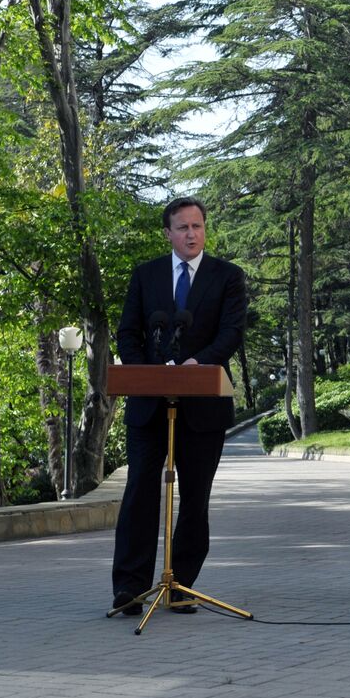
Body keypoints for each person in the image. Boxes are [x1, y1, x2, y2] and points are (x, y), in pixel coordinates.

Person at [110, 196, 247, 617]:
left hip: (203, 406)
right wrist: (146, 373)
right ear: (168, 233)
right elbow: (128, 334)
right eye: (183, 227)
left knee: (195, 498)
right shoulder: (146, 275)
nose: (191, 234)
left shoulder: (227, 276)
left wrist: (198, 362)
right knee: (139, 493)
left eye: (198, 226)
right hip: (149, 406)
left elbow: (231, 333)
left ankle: (181, 585)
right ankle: (130, 589)